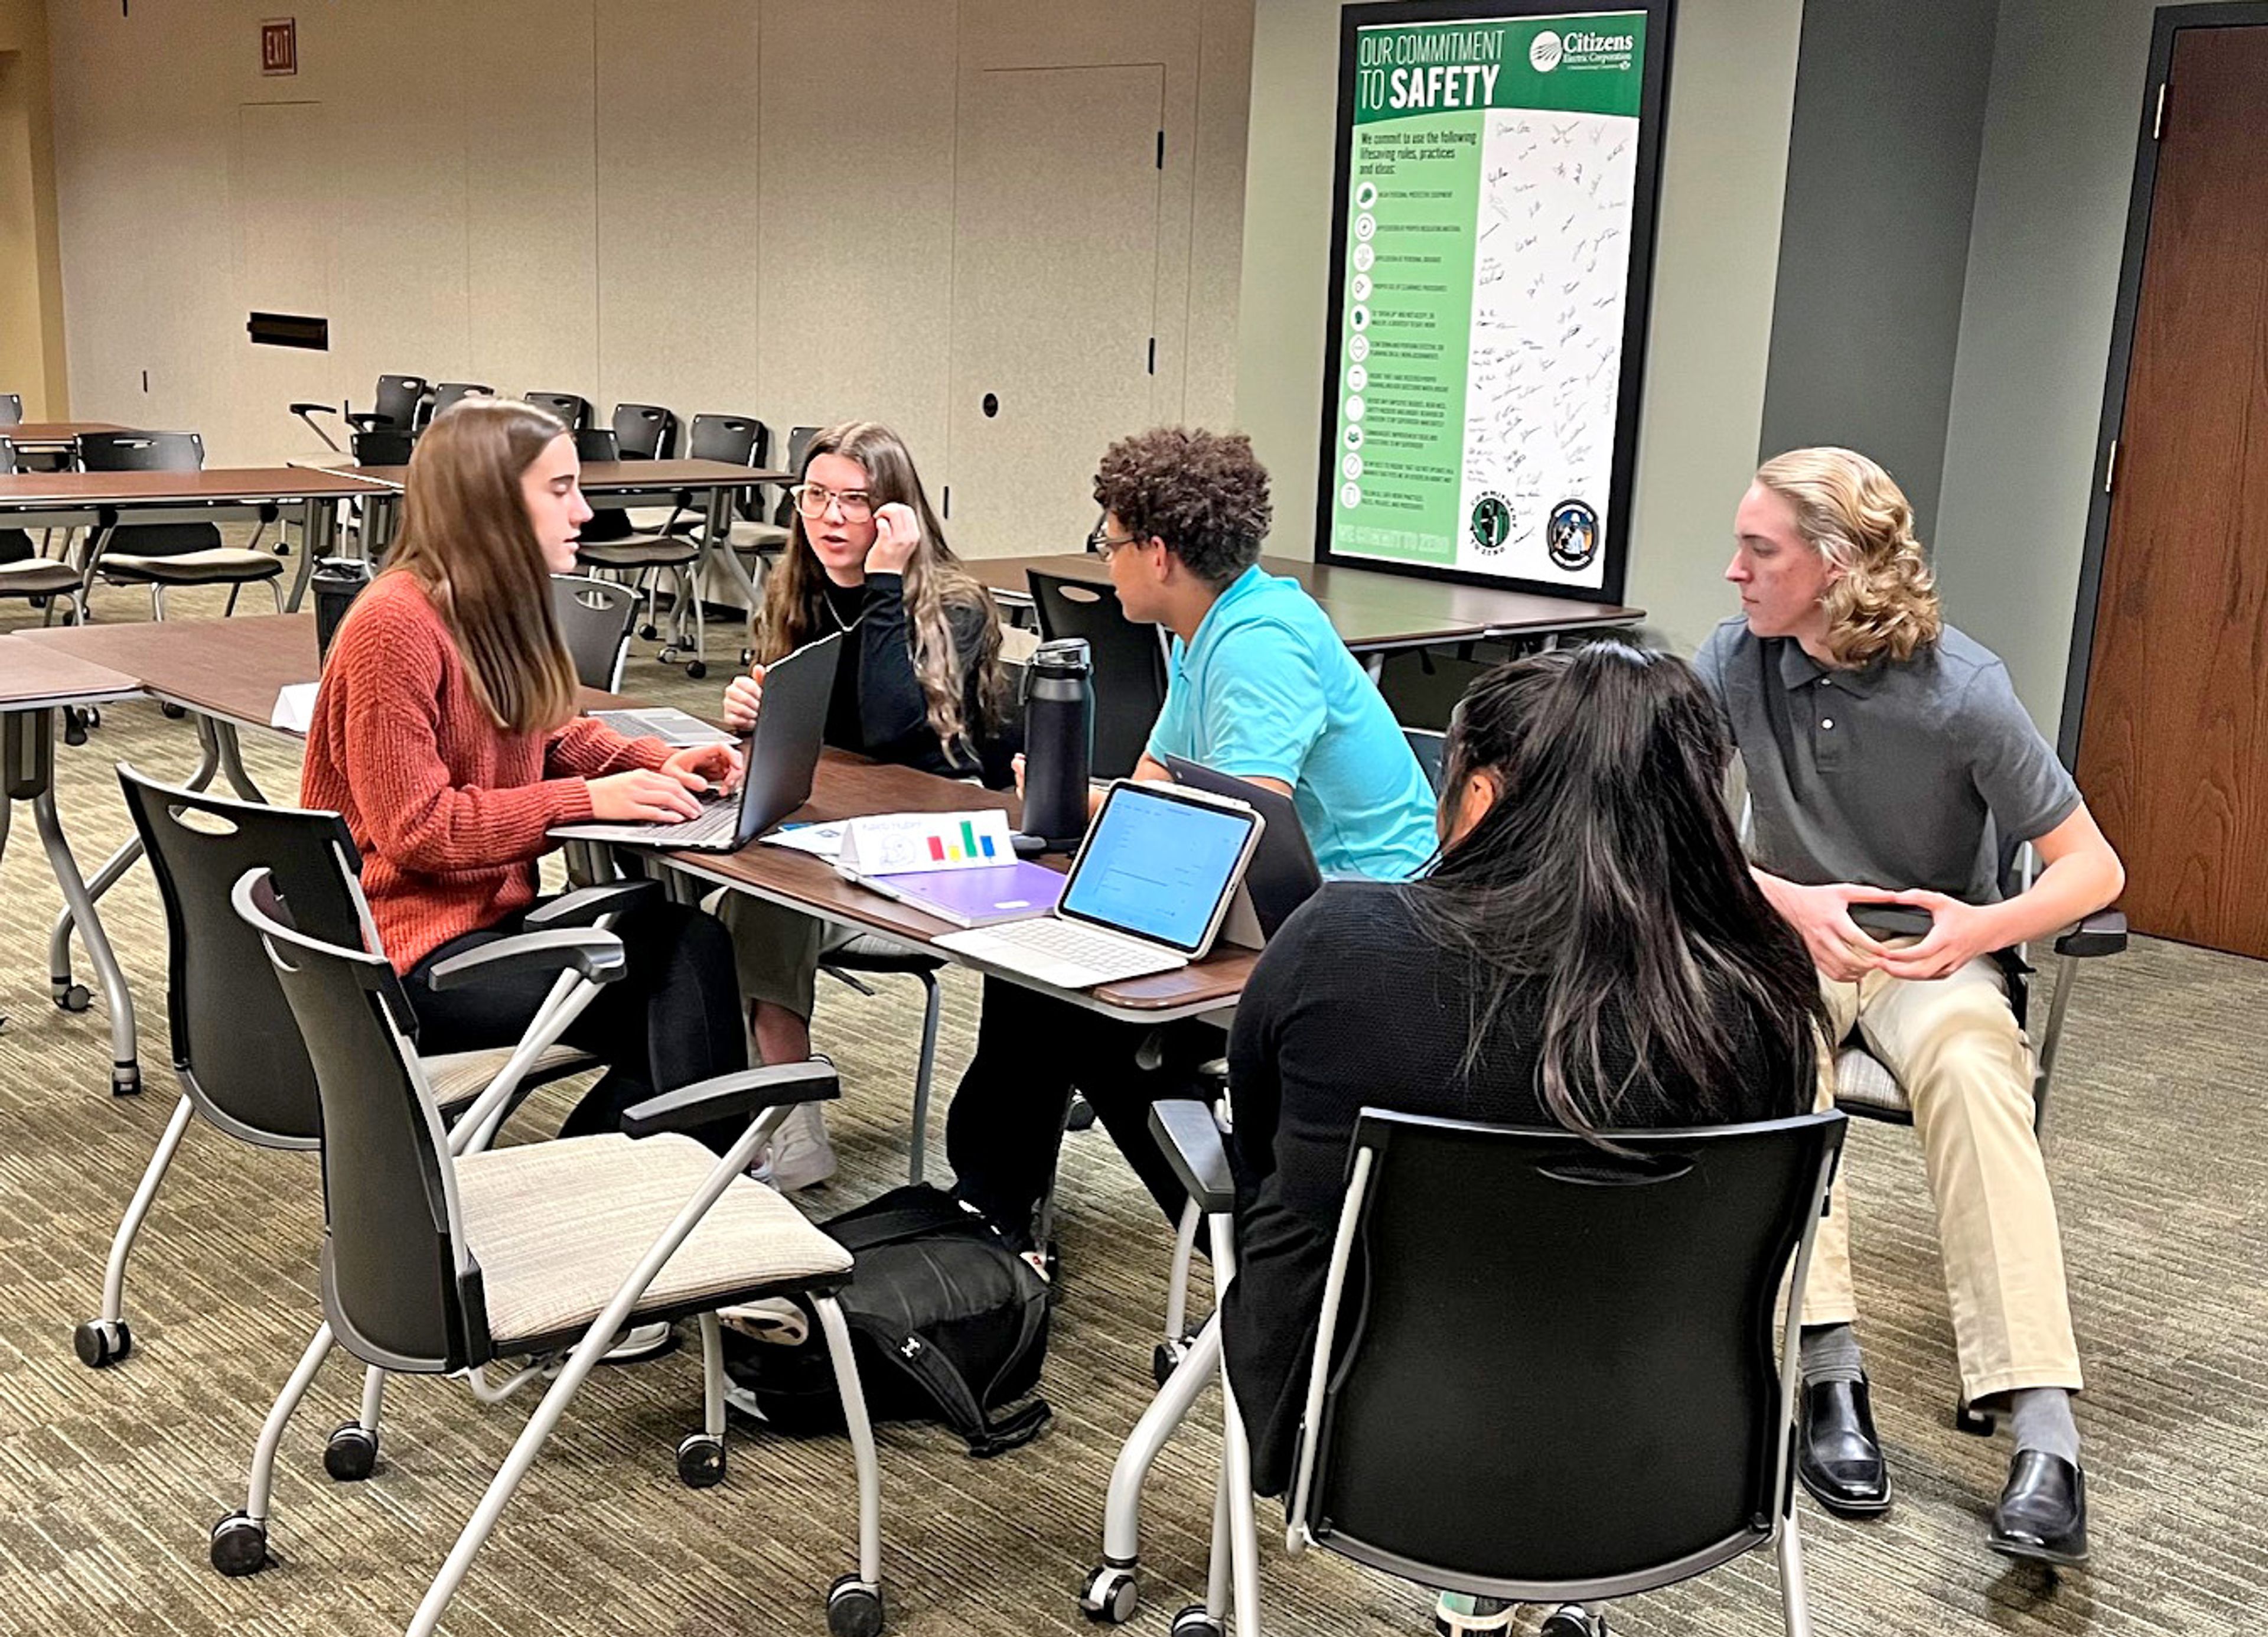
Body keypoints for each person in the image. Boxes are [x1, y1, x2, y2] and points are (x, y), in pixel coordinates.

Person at [1218, 646, 1824, 1635]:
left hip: (1350, 1445)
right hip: (1677, 1462)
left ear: (1484, 796)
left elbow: (1259, 1161)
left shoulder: (1340, 943)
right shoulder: (1762, 999)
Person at [1695, 446, 2124, 1566]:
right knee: (1763, 1053)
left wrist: (1975, 929)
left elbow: (2093, 870)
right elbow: (1673, 824)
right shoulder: (1735, 662)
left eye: (1759, 549)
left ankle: (2043, 1429)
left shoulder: (1963, 690)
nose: (1733, 570)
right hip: (1796, 946)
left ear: (1836, 568)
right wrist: (1788, 898)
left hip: (1936, 958)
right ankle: (1829, 1377)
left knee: (1985, 1080)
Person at [944, 427, 1436, 1247]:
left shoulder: (1260, 645)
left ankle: (1242, 1245)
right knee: (1036, 974)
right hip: (1293, 902)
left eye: (1110, 540)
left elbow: (1248, 838)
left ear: (1160, 552)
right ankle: (1000, 1218)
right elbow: (1155, 794)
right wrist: (1078, 794)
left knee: (1096, 1010)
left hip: (1360, 929)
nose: (1106, 558)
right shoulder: (1205, 629)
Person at [302, 398, 748, 1145]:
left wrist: (661, 761)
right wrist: (586, 801)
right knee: (678, 989)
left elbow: (552, 736)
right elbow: (418, 831)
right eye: (560, 488)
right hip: (406, 957)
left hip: (484, 922)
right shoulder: (395, 624)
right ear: (492, 501)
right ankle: (667, 1196)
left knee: (688, 957)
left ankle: (645, 1195)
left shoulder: (494, 606)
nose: (583, 511)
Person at [716, 420, 1011, 1189]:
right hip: (842, 831)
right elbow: (813, 743)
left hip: (947, 843)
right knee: (708, 891)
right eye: (816, 496)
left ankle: (788, 1127)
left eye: (856, 500)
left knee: (763, 899)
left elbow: (886, 723)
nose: (831, 517)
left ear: (896, 513)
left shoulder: (954, 603)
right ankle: (757, 1112)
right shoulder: (798, 591)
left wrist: (885, 579)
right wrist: (754, 707)